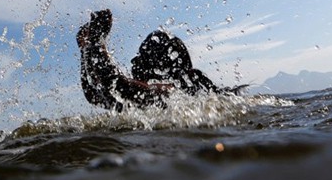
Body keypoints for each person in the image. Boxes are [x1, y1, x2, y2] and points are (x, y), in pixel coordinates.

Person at [77, 9, 241, 111]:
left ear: (162, 67)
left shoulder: (175, 94)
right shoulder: (146, 103)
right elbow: (94, 95)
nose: (135, 61)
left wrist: (96, 39)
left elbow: (117, 84)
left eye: (144, 56)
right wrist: (85, 49)